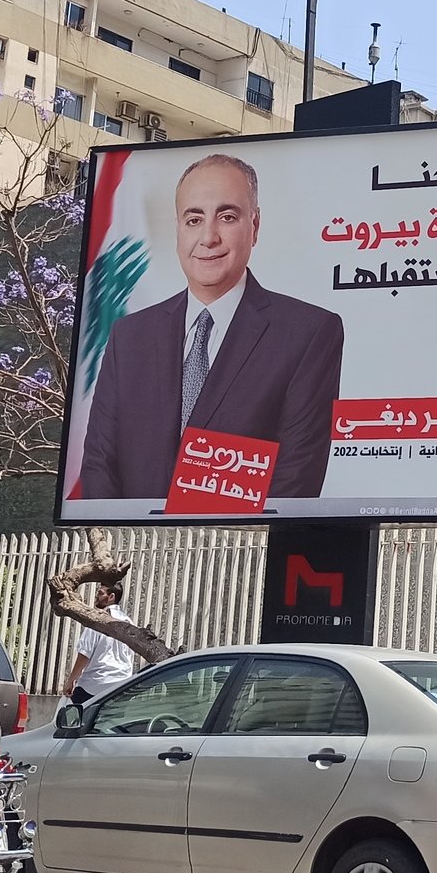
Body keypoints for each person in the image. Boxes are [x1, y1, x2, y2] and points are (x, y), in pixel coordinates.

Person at [78, 153, 345, 502]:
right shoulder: (129, 336)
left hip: (237, 550)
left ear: (255, 226)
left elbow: (298, 475)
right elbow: (99, 462)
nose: (208, 237)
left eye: (227, 217)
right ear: (177, 229)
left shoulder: (307, 333)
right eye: (193, 219)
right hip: (133, 547)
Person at [60, 581, 140, 705]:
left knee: (70, 713)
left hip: (97, 682)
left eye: (100, 593)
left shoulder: (97, 619)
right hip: (122, 683)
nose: (97, 596)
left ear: (111, 597)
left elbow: (84, 654)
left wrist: (70, 681)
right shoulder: (128, 622)